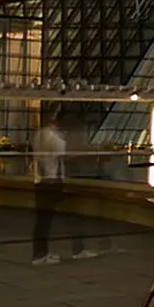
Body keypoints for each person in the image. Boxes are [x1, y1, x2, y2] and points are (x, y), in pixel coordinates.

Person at [31, 109, 92, 265]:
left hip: (41, 181)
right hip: (53, 182)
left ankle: (40, 253)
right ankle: (76, 249)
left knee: (43, 219)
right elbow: (67, 155)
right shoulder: (53, 137)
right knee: (72, 215)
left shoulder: (39, 135)